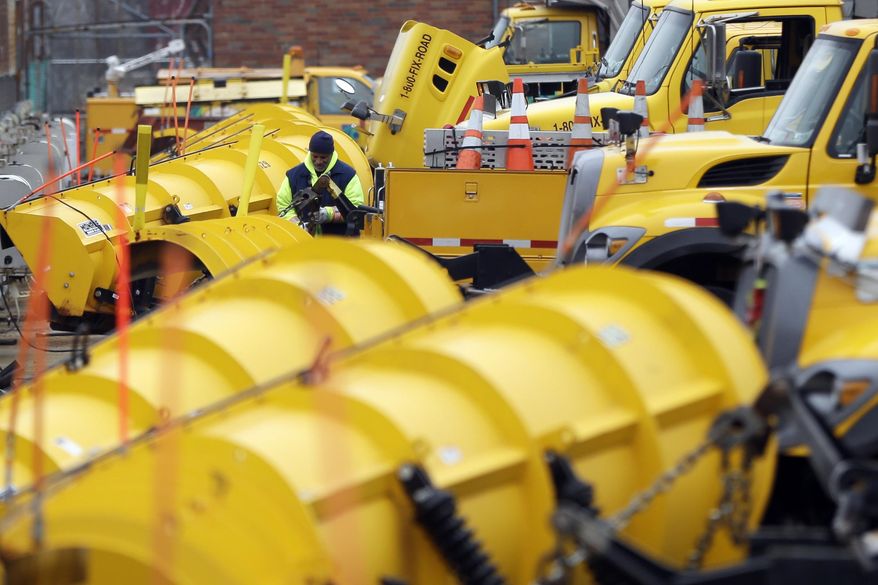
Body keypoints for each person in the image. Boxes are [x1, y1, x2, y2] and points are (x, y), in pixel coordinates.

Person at [276, 130, 365, 235]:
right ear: (310, 153)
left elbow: (354, 208)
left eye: (323, 157)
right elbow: (283, 204)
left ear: (331, 154)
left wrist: (328, 214)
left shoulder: (347, 175)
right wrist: (297, 224)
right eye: (315, 156)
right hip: (307, 244)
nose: (318, 161)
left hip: (340, 244)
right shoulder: (294, 175)